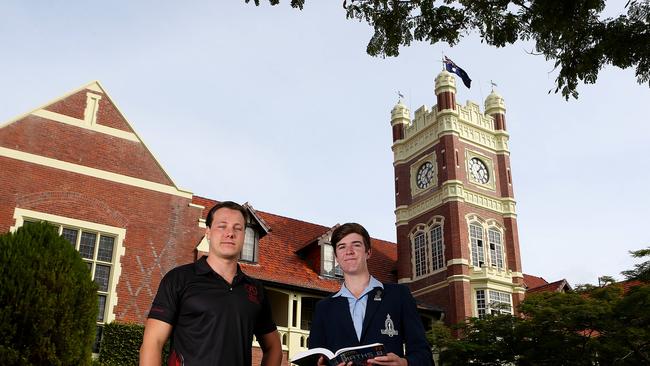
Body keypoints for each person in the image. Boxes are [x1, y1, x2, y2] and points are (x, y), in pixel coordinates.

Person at [140, 201, 282, 366]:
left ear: (244, 236)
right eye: (222, 226)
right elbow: (153, 343)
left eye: (238, 228)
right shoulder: (178, 279)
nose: (230, 233)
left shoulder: (256, 290)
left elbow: (274, 347)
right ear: (208, 232)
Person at [308, 223, 433, 366]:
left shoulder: (398, 295)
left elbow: (424, 356)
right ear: (336, 256)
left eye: (356, 245)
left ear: (368, 252)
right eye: (342, 247)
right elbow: (315, 359)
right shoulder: (323, 308)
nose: (349, 251)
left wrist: (404, 363)